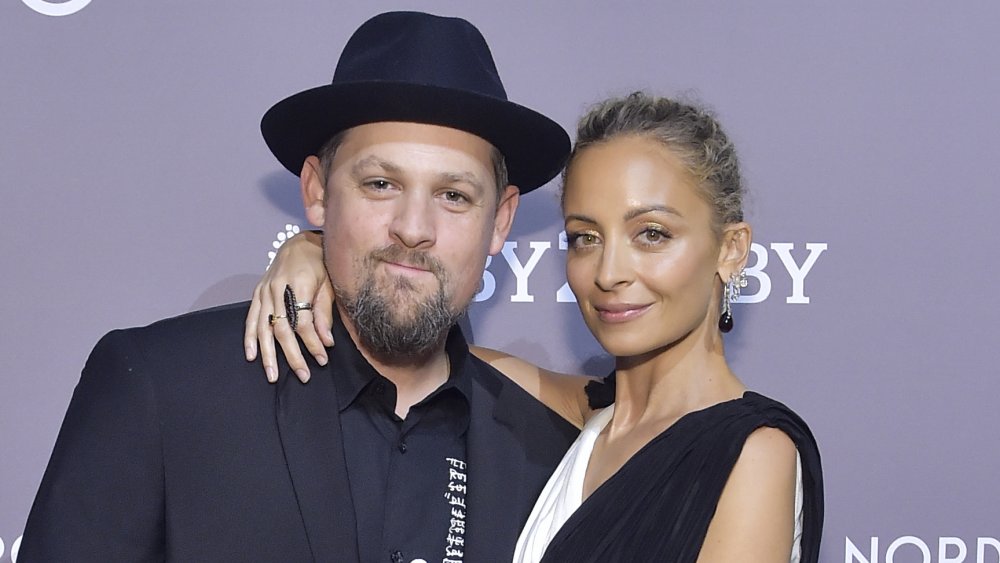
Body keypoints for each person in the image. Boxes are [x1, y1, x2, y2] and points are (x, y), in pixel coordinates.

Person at [19, 11, 581, 562]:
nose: (414, 228)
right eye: (381, 184)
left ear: (501, 222)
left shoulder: (551, 462)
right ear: (317, 191)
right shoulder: (162, 390)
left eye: (454, 195)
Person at [249, 93, 824, 562]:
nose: (610, 272)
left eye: (651, 233)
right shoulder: (583, 416)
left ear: (730, 249)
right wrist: (318, 251)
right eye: (585, 237)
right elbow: (419, 348)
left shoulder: (754, 451)